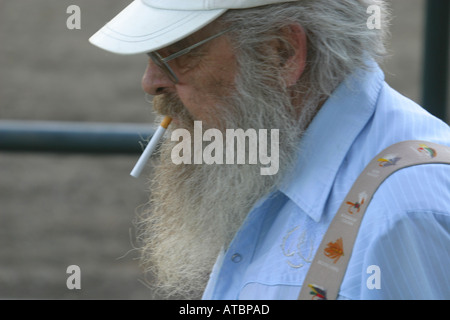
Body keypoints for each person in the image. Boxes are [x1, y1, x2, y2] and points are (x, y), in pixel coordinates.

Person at [90, 0, 450, 300]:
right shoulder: (266, 146)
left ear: (281, 52)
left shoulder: (402, 214)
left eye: (176, 54)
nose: (150, 82)